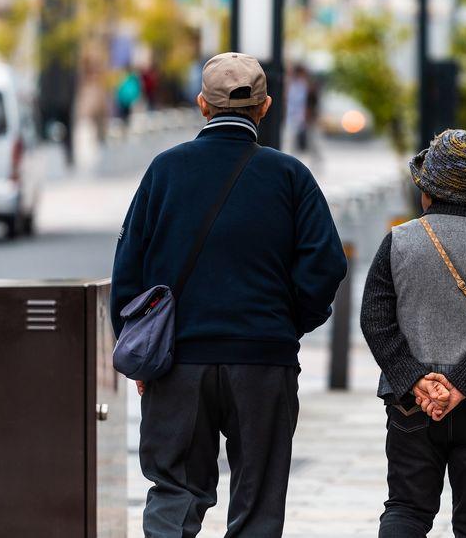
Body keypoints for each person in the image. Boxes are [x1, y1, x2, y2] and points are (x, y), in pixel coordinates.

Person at [110, 52, 347, 537]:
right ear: (265, 107)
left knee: (174, 493)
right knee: (257, 505)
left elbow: (128, 267)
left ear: (202, 105)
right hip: (263, 361)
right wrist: (286, 322)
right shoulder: (290, 176)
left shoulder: (165, 172)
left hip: (178, 363)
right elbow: (326, 264)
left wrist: (138, 347)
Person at [361, 129, 466, 537]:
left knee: (405, 509)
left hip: (411, 405)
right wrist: (461, 385)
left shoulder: (397, 242)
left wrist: (415, 380)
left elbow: (375, 319)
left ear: (426, 190)